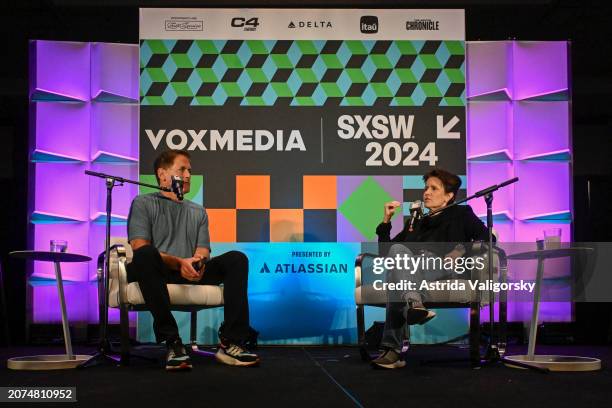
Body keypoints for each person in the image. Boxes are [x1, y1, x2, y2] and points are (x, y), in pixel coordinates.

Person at [127, 149, 259, 370]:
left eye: (190, 170)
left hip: (190, 271)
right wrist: (179, 262)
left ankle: (231, 341)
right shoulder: (143, 203)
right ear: (162, 174)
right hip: (157, 271)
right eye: (182, 169)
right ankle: (173, 342)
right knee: (145, 254)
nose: (188, 175)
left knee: (237, 259)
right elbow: (139, 246)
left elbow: (203, 251)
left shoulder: (198, 211)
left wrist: (197, 263)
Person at [371, 168, 489, 369]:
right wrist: (386, 220)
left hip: (444, 266)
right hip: (412, 269)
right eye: (426, 188)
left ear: (449, 196)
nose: (426, 192)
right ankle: (414, 303)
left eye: (434, 188)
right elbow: (387, 252)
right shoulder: (416, 222)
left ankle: (393, 351)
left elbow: (487, 238)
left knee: (396, 276)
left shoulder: (461, 213)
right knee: (398, 257)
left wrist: (460, 250)